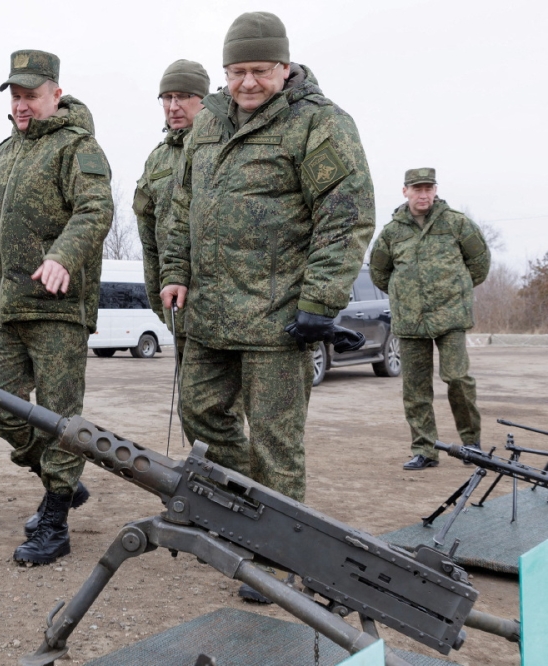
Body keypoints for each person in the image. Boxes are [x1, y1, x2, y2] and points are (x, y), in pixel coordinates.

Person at [159, 12, 374, 504]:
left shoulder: (320, 123)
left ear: (284, 66)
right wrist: (175, 270)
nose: (248, 82)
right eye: (237, 72)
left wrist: (319, 300)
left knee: (276, 443)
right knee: (201, 415)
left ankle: (277, 558)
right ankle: (243, 508)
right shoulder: (210, 120)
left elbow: (347, 216)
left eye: (260, 70)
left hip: (277, 320)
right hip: (210, 314)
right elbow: (181, 203)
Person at [0, 50, 113, 565]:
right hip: (7, 309)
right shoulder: (1, 153)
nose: (21, 104)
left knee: (59, 418)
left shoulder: (78, 147)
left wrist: (62, 256)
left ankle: (54, 521)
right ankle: (61, 481)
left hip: (56, 309)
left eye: (31, 94)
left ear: (55, 92)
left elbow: (96, 210)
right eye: (15, 94)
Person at [370, 168, 489, 470]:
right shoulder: (392, 232)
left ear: (436, 190)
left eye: (428, 188)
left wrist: (454, 291)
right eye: (417, 189)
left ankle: (472, 444)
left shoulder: (456, 223)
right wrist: (407, 295)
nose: (423, 195)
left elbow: (479, 262)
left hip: (450, 317)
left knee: (458, 379)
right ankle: (425, 449)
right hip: (410, 322)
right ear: (405, 191)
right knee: (415, 388)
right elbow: (380, 273)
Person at [133, 59, 209, 362]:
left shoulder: (217, 146)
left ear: (202, 99)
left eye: (183, 96)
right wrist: (159, 301)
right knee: (191, 400)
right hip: (176, 303)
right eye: (167, 98)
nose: (173, 106)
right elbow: (148, 235)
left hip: (217, 301)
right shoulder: (158, 160)